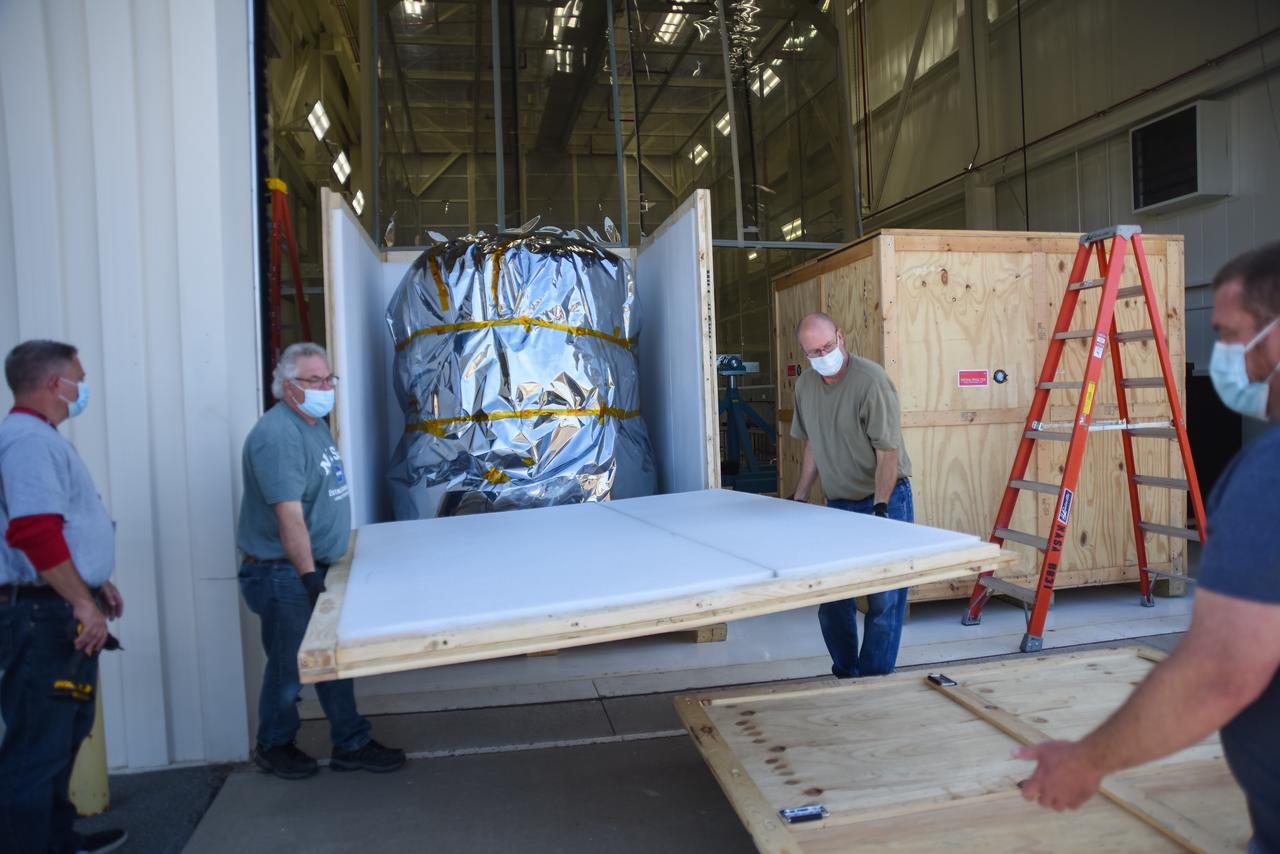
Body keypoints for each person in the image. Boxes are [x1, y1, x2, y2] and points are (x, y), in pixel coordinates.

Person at [1016, 243, 1280, 853]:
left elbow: (1220, 674)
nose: (1222, 356)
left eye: (1229, 335)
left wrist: (1086, 760)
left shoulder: (1270, 475)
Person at [238, 342, 404, 779]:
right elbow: (289, 517)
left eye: (329, 379)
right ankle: (273, 745)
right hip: (284, 573)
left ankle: (351, 742)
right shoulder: (278, 437)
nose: (326, 387)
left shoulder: (312, 425)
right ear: (288, 386)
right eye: (315, 380)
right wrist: (309, 576)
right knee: (290, 664)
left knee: (331, 657)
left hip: (313, 567)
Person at [0, 340, 127, 854]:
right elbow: (33, 531)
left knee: (62, 735)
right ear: (56, 383)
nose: (84, 387)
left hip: (54, 606)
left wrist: (93, 582)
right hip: (43, 616)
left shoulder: (39, 437)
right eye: (80, 377)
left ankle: (55, 841)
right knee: (38, 745)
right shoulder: (27, 441)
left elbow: (61, 528)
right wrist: (80, 601)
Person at [789, 312, 915, 678]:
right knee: (833, 599)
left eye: (827, 346)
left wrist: (881, 508)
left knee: (884, 599)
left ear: (841, 337)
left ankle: (874, 678)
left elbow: (887, 452)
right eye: (813, 352)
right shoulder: (806, 387)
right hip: (837, 505)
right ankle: (847, 672)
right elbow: (813, 444)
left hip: (883, 498)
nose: (822, 356)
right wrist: (800, 498)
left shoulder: (870, 381)